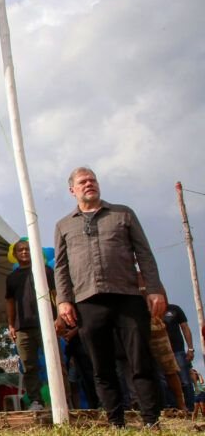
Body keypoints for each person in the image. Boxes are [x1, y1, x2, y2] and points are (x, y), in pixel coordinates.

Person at [55, 167, 165, 428]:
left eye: (93, 180)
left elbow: (144, 253)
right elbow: (60, 267)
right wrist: (63, 300)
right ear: (73, 190)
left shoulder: (122, 214)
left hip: (126, 295)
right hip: (87, 300)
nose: (89, 184)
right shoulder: (64, 225)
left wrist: (154, 289)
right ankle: (116, 422)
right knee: (101, 366)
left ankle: (152, 421)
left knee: (140, 359)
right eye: (83, 182)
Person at [5, 239, 56, 411]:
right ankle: (36, 401)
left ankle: (62, 398)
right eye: (20, 250)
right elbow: (10, 302)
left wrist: (59, 318)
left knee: (55, 362)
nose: (24, 252)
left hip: (46, 324)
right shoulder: (12, 278)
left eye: (27, 249)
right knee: (28, 365)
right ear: (15, 254)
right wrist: (11, 325)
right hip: (22, 328)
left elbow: (56, 294)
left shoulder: (45, 271)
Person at [163, 303, 197, 410]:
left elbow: (185, 327)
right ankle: (174, 408)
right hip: (161, 353)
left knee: (185, 381)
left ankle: (190, 408)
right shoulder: (149, 310)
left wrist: (190, 349)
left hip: (178, 351)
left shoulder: (174, 309)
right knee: (165, 381)